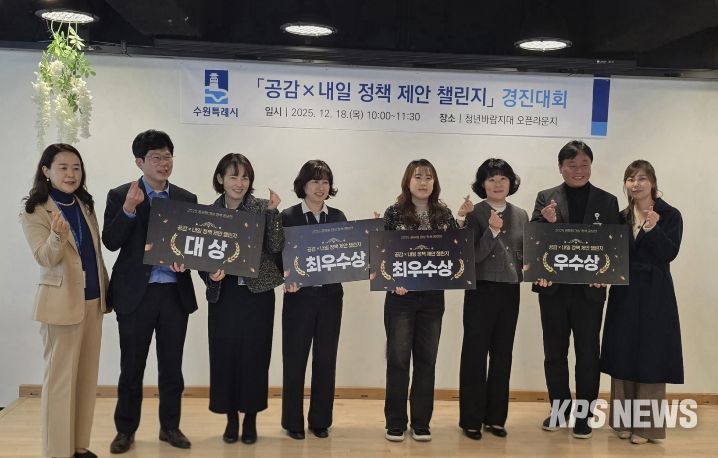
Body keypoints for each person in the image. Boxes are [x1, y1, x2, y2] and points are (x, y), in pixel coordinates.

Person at [102, 130, 198, 453]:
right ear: (139, 162)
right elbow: (111, 241)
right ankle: (125, 430)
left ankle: (170, 427)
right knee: (131, 368)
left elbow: (193, 246)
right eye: (155, 157)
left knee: (172, 368)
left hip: (173, 294)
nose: (163, 163)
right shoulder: (121, 195)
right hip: (135, 295)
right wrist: (129, 209)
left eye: (167, 156)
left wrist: (186, 261)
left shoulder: (186, 198)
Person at [20, 143, 109, 458]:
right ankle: (57, 451)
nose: (71, 174)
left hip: (93, 301)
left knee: (86, 380)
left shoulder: (85, 204)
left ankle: (79, 446)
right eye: (63, 167)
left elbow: (94, 253)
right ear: (46, 171)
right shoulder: (35, 210)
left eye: (76, 168)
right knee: (60, 384)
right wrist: (57, 235)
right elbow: (44, 257)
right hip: (60, 305)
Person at [531, 140, 620, 439]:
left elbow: (614, 246)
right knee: (554, 353)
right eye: (572, 165)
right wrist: (547, 221)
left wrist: (606, 273)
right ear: (561, 167)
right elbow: (534, 241)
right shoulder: (546, 197)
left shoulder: (607, 201)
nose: (578, 170)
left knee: (588, 353)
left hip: (589, 292)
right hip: (553, 290)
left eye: (584, 164)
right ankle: (560, 410)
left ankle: (584, 415)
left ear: (591, 166)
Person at [202, 153, 283, 445]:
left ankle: (250, 418)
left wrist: (273, 213)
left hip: (257, 295)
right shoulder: (210, 213)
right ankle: (230, 418)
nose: (240, 183)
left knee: (255, 356)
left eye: (245, 177)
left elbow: (276, 247)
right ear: (220, 179)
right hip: (224, 296)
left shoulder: (261, 207)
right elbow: (200, 256)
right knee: (225, 356)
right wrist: (210, 276)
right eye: (233, 176)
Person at [600, 160, 683, 444]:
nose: (636, 184)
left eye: (642, 178)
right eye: (631, 179)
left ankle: (647, 428)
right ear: (625, 184)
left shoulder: (670, 215)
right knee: (623, 353)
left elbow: (669, 254)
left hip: (655, 293)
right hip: (624, 292)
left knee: (651, 356)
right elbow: (609, 255)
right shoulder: (621, 217)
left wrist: (653, 228)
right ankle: (622, 422)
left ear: (653, 182)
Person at [382, 159, 458, 443]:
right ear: (408, 181)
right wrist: (393, 280)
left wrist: (463, 222)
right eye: (417, 177)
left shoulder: (444, 213)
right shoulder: (393, 212)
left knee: (427, 360)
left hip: (433, 298)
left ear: (435, 182)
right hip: (400, 298)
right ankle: (395, 422)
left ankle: (421, 422)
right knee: (398, 360)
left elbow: (456, 251)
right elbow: (383, 254)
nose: (423, 182)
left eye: (428, 177)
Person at [455, 158, 528, 440]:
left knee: (502, 354)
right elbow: (470, 257)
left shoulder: (521, 214)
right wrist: (492, 231)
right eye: (491, 179)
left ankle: (496, 418)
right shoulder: (474, 213)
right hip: (481, 290)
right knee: (474, 354)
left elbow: (526, 254)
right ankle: (471, 419)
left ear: (511, 182)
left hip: (510, 290)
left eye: (503, 178)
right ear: (482, 184)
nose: (498, 184)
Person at [281, 160, 347, 440]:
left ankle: (320, 420)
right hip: (299, 298)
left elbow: (347, 254)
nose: (320, 187)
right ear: (303, 185)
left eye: (325, 182)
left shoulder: (338, 217)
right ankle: (292, 422)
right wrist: (285, 276)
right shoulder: (288, 216)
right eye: (315, 181)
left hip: (330, 298)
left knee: (326, 359)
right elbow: (277, 255)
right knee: (294, 360)